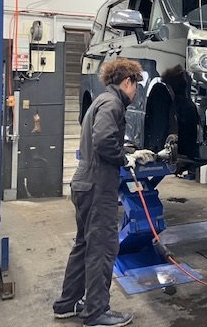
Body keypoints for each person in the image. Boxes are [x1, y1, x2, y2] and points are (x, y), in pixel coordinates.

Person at [53, 58, 153, 327]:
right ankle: (96, 312)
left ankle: (67, 303)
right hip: (98, 185)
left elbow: (103, 138)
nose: (136, 92)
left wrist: (129, 152)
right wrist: (123, 158)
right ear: (127, 81)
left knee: (84, 244)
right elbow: (104, 141)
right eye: (136, 86)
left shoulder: (101, 100)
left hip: (85, 182)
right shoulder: (113, 104)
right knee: (102, 248)